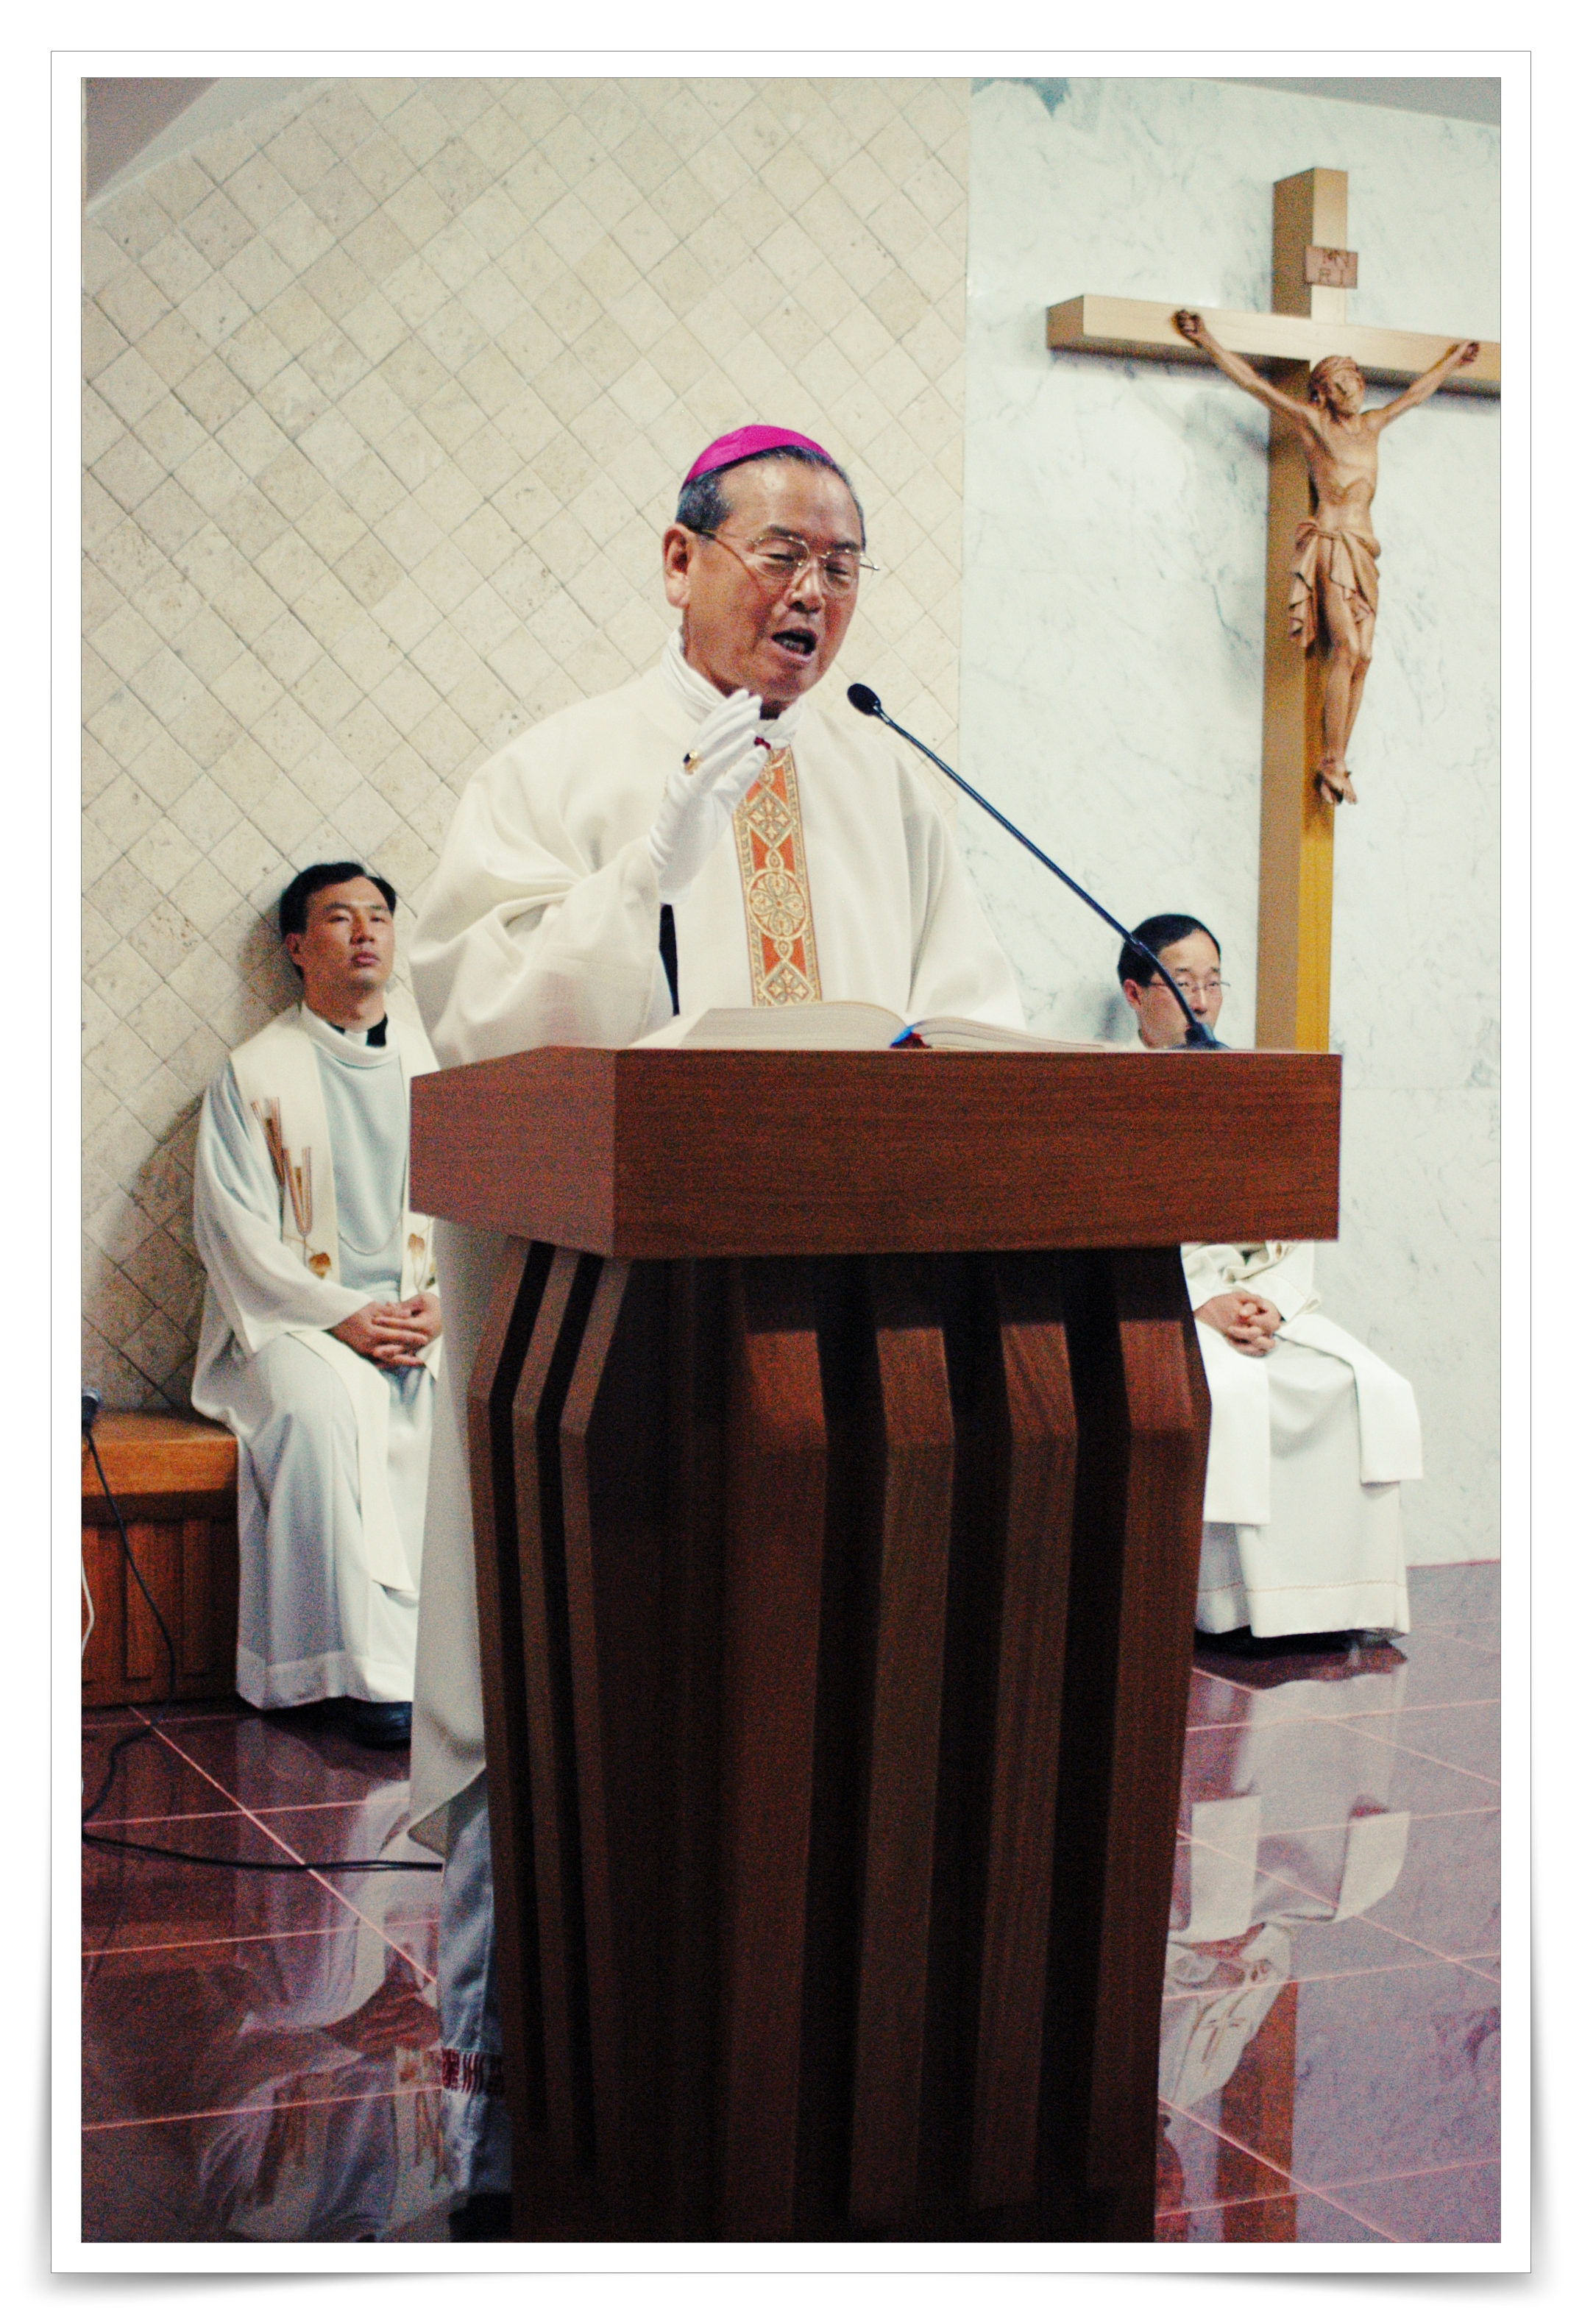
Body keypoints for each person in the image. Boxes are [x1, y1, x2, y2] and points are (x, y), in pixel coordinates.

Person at [408, 422, 1024, 2233]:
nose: (813, 593)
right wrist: (633, 879)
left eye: (844, 564)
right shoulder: (553, 770)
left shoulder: (890, 783)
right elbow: (479, 1026)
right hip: (603, 1355)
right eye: (779, 553)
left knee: (826, 1715)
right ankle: (524, 2118)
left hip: (838, 1351)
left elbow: (964, 1023)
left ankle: (819, 2077)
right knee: (573, 1700)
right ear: (676, 558)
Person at [192, 863, 442, 1748]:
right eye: (339, 918)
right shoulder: (253, 1072)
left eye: (378, 915)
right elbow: (234, 1233)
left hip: (417, 1317)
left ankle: (449, 1670)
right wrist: (339, 1312)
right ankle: (337, 1671)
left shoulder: (433, 1060)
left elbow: (479, 1208)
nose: (365, 932)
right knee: (321, 1409)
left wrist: (443, 1304)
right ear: (298, 948)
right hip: (294, 1319)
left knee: (465, 1400)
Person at [1119, 913, 1421, 1645]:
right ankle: (1229, 1611)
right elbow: (1119, 1235)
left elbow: (1292, 1216)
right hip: (1170, 1303)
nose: (1200, 1000)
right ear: (1134, 992)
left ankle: (1341, 1602)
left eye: (1212, 982)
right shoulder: (1108, 1091)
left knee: (1364, 1385)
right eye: (1180, 982)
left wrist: (1271, 1305)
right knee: (1229, 1390)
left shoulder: (1249, 1085)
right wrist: (1203, 1302)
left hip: (1258, 1302)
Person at [1171, 311, 1479, 805]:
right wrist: (1207, 340)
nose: (1348, 393)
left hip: (1364, 552)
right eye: (1336, 387)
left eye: (1352, 383)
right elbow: (1254, 385)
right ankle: (1330, 760)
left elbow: (1416, 395)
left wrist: (1452, 364)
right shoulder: (1313, 424)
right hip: (1332, 549)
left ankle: (1339, 756)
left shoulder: (1374, 425)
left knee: (1365, 656)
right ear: (1321, 394)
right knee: (1346, 650)